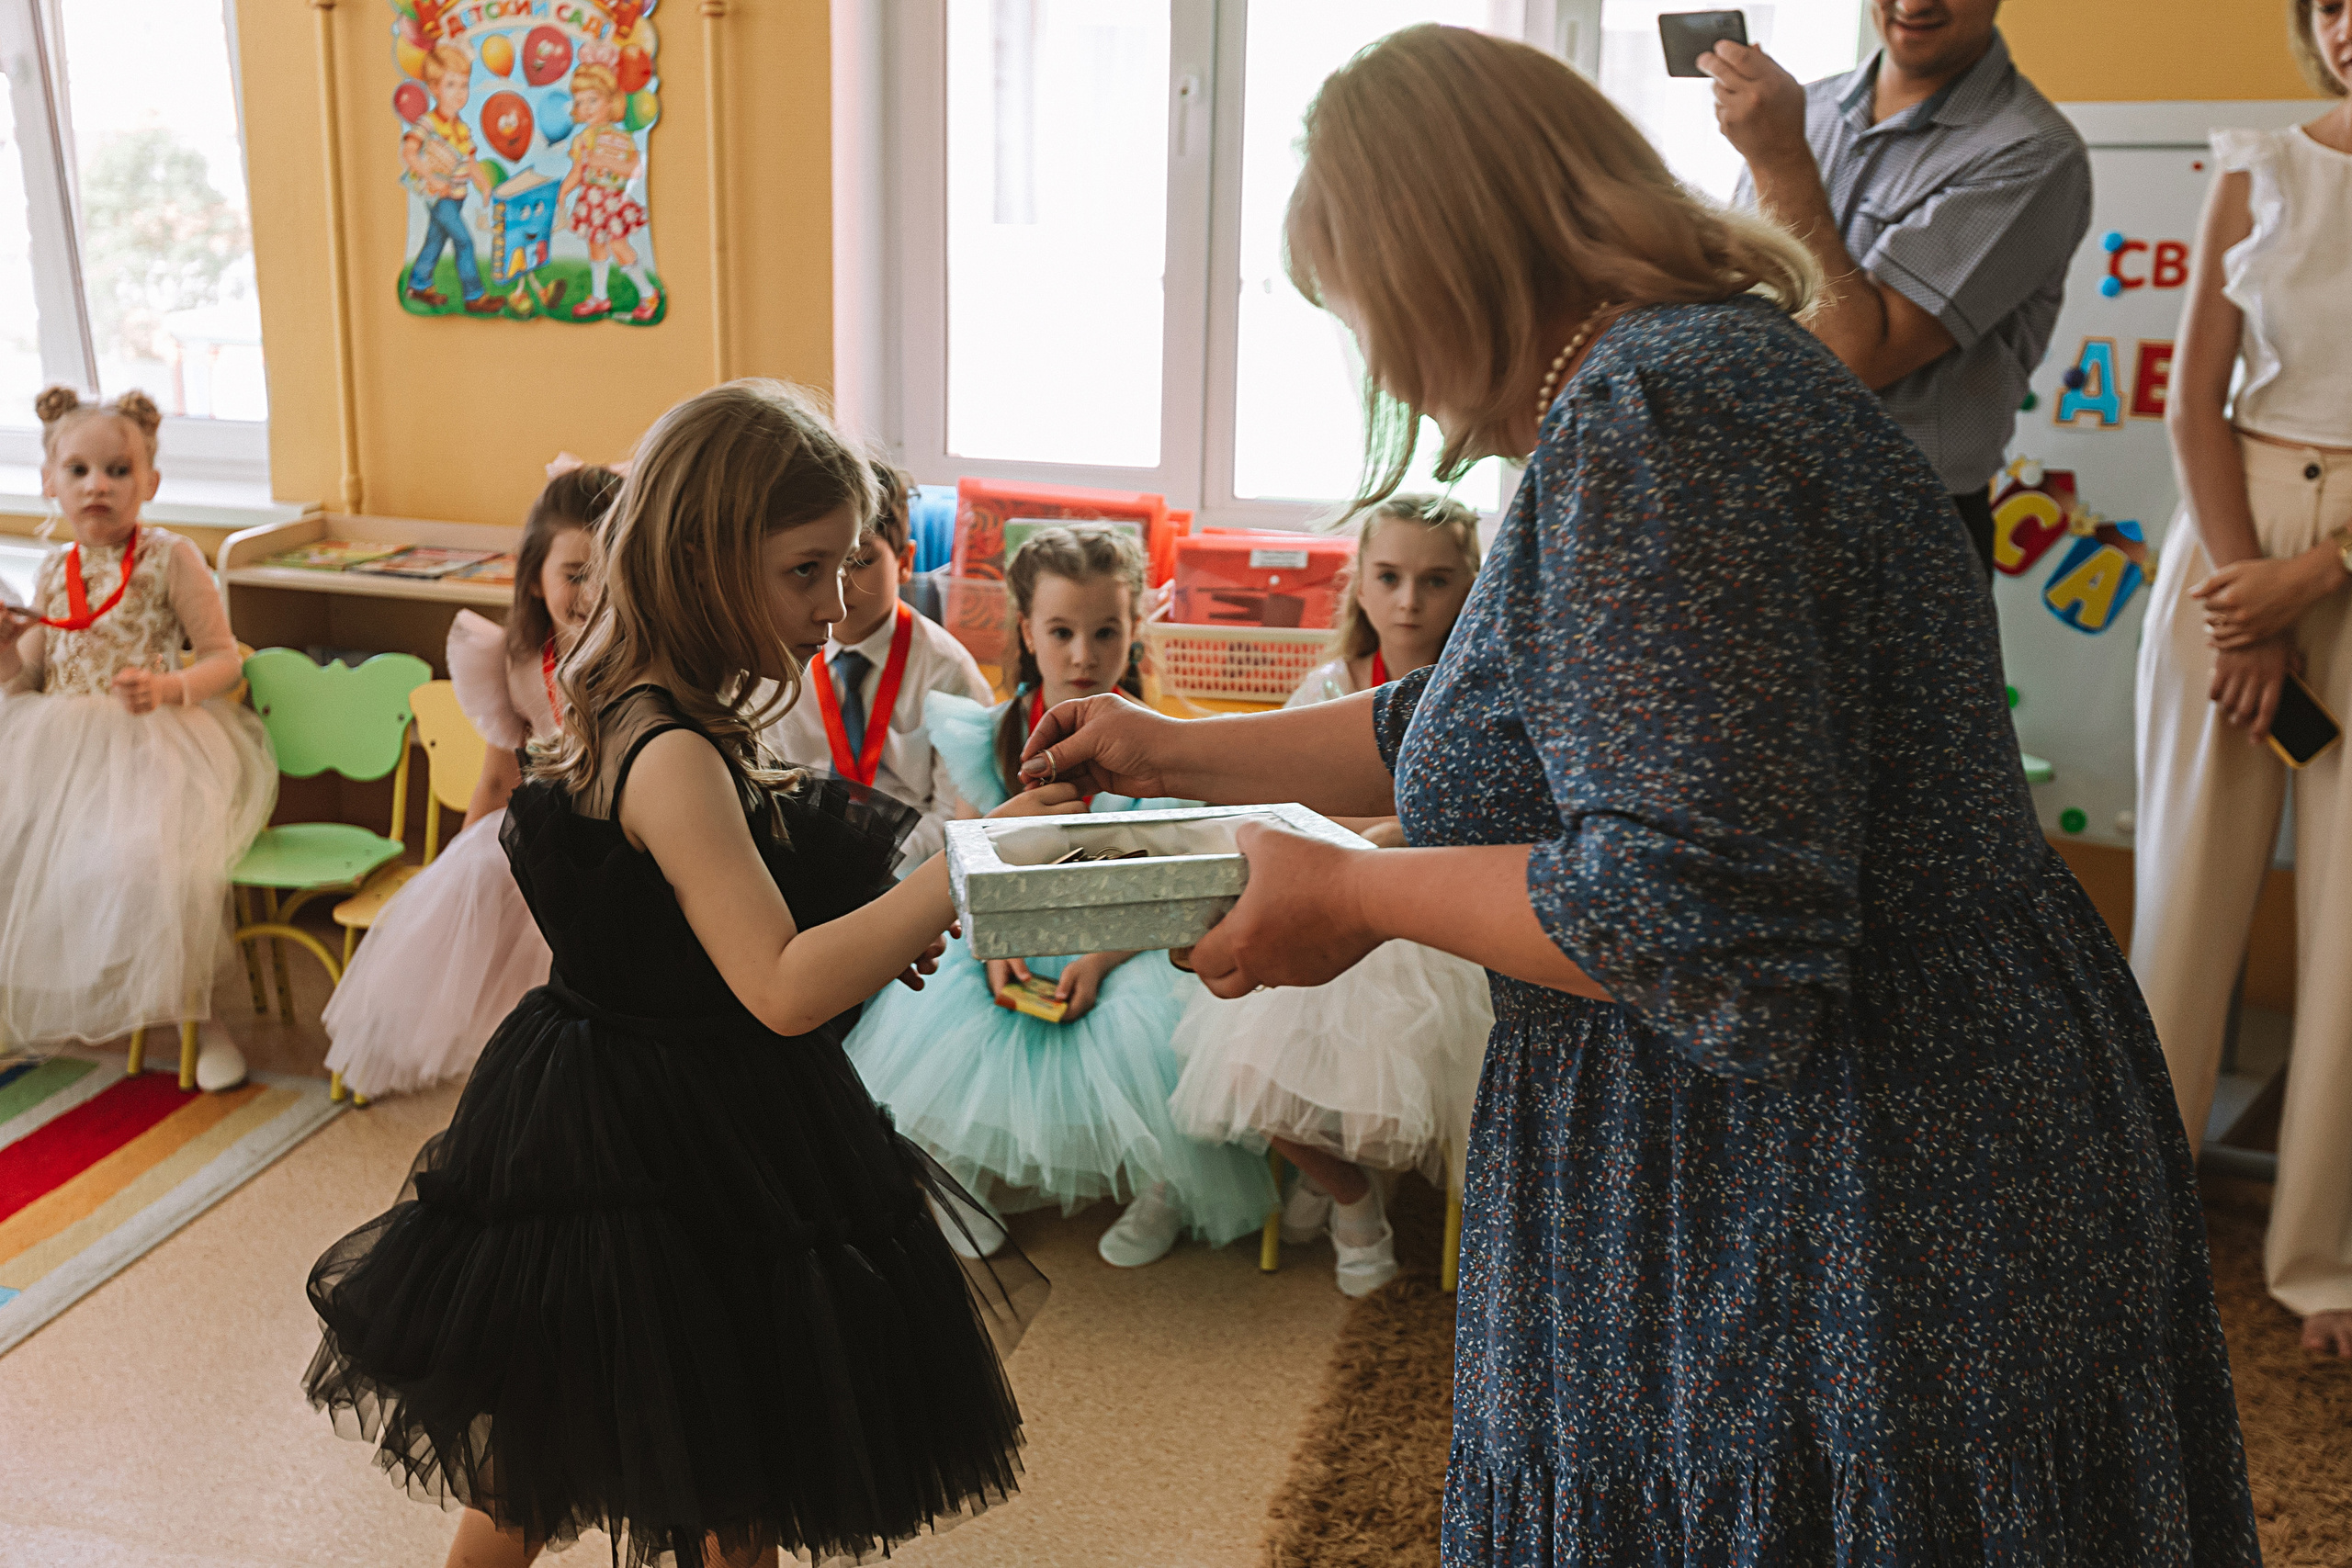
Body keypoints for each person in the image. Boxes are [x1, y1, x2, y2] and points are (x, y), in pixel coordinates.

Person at [1024, 27, 2255, 1562]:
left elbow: (1703, 913)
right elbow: (1498, 718)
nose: (1378, 365)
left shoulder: (1657, 425)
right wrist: (1177, 745)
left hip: (1844, 1166)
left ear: (1437, 271)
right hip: (1873, 1115)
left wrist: (1348, 893)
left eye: (1356, 315)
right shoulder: (1679, 375)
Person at [302, 380, 1071, 1568]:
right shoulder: (671, 749)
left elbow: (695, 919)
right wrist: (968, 861)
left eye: (850, 566)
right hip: (671, 1135)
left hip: (616, 1098)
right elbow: (777, 984)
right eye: (804, 571)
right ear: (708, 560)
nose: (835, 604)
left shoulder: (650, 697)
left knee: (557, 1458)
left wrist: (871, 917)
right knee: (713, 1466)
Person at [843, 525, 1275, 1270]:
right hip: (1012, 932)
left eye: (1105, 632)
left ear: (1134, 630)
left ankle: (1165, 1185)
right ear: (1027, 632)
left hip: (1124, 939)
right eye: (1063, 632)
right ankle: (963, 1168)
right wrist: (994, 950)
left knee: (1165, 1018)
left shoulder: (1164, 743)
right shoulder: (990, 736)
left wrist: (1102, 959)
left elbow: (1174, 879)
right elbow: (972, 860)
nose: (1084, 654)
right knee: (936, 1009)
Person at [2132, 0, 2352, 1362]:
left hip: (2332, 562)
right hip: (2228, 542)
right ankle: (2132, 1228)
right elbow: (2192, 401)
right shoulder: (2255, 163)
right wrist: (2245, 603)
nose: (2349, 26)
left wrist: (2314, 579)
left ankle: (2322, 1256)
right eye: (2331, 2)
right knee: (2184, 903)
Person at [1168, 494, 1491, 1297]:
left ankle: (1351, 1185)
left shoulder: (1478, 694)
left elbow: (1469, 824)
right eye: (1389, 576)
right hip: (1320, 899)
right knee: (1248, 1070)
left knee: (1395, 1087)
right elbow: (1286, 811)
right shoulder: (1325, 686)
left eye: (1436, 580)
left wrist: (1385, 837)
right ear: (1361, 584)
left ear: (1472, 586)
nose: (1410, 600)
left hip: (1430, 917)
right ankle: (1348, 1191)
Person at [1702, 0, 2089, 577]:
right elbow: (1740, 303)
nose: (1913, 4)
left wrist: (1780, 159)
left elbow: (1847, 358)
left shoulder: (2031, 151)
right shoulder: (1805, 108)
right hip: (1753, 498)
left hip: (1900, 531)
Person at [0, 387, 275, 1089]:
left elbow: (224, 657)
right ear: (49, 483)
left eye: (118, 471)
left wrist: (169, 688)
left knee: (155, 868)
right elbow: (27, 682)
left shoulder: (169, 556)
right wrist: (6, 650)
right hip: (63, 752)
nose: (98, 486)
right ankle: (53, 1006)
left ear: (149, 482)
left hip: (151, 743)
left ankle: (201, 1019)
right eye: (79, 471)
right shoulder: (50, 568)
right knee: (35, 861)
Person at [320, 465, 618, 1101]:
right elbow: (496, 776)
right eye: (575, 573)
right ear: (536, 577)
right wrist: (449, 874)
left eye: (613, 570)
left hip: (622, 844)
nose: (594, 591)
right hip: (540, 842)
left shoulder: (642, 654)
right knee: (498, 922)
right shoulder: (511, 658)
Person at [763, 460, 992, 867]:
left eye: (861, 560)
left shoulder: (947, 671)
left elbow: (955, 819)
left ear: (905, 561)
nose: (841, 582)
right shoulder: (777, 659)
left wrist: (869, 866)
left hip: (905, 868)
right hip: (800, 859)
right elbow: (769, 786)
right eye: (816, 566)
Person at [401, 40, 503, 316]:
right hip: (439, 196)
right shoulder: (428, 123)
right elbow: (409, 152)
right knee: (464, 241)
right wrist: (430, 178)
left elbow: (470, 162)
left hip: (457, 197)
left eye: (464, 85)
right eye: (451, 85)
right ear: (434, 88)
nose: (460, 93)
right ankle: (474, 296)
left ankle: (418, 284)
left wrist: (483, 185)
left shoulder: (462, 129)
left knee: (435, 240)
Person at [558, 59, 657, 321]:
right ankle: (600, 297)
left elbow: (635, 169)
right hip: (591, 201)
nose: (586, 108)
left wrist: (608, 162)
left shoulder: (622, 139)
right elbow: (578, 171)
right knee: (595, 247)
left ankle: (648, 292)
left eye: (593, 100)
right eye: (580, 102)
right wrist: (563, 191)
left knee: (618, 245)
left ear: (610, 102)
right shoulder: (583, 140)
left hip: (612, 202)